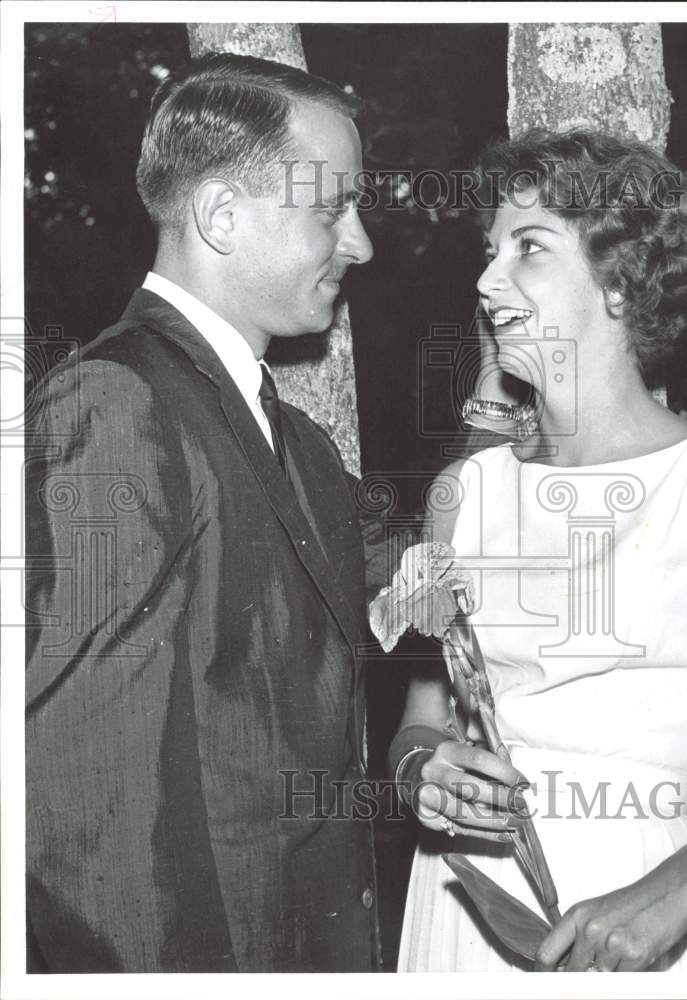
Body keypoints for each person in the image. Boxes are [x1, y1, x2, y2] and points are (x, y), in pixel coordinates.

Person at [389, 130, 687, 972]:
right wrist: (423, 772)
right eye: (488, 252)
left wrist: (686, 883)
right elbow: (419, 725)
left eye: (527, 249)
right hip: (463, 892)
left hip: (643, 905)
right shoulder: (465, 492)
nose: (486, 280)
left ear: (619, 280)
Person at [25, 54, 383, 973]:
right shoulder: (111, 406)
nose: (360, 243)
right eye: (331, 208)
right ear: (222, 217)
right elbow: (80, 788)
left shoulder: (299, 444)